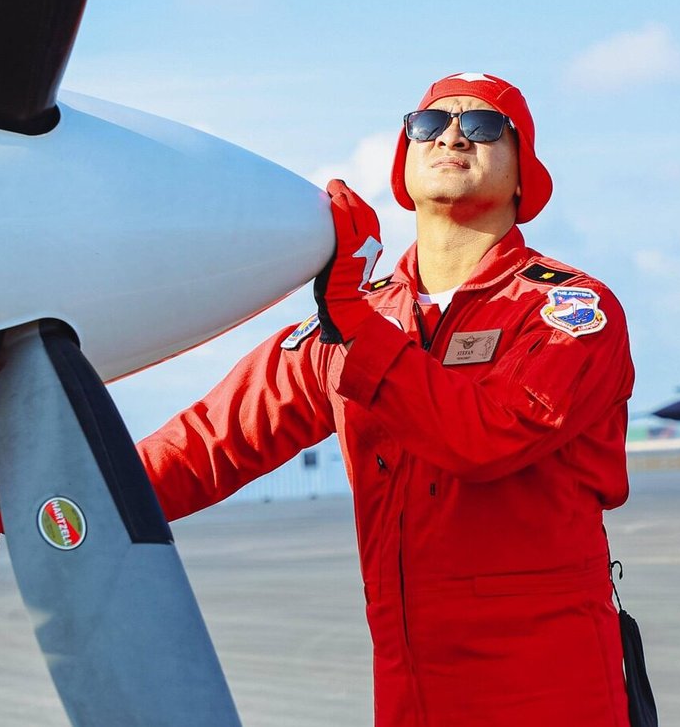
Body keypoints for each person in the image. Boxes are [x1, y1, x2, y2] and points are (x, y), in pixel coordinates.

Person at [136, 71, 634, 726]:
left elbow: (484, 439)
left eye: (484, 127)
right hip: (409, 686)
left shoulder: (568, 311)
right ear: (404, 161)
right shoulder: (358, 317)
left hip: (544, 687)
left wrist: (352, 318)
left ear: (522, 177)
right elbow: (213, 442)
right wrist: (51, 493)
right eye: (429, 124)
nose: (452, 135)